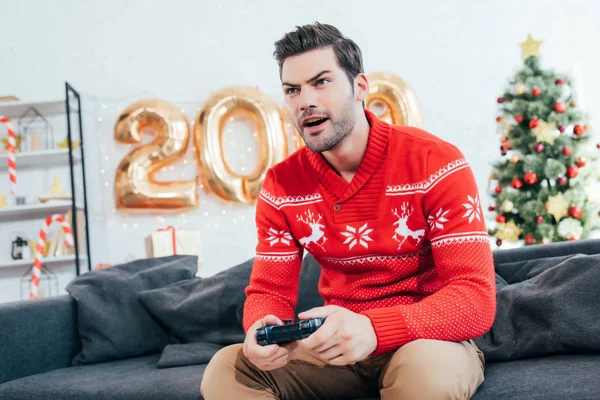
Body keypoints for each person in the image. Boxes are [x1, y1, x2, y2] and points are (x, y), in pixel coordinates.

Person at [201, 22, 496, 400]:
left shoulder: (435, 162)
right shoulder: (281, 185)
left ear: (359, 87)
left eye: (321, 82)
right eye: (293, 89)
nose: (304, 100)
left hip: (427, 339)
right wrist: (262, 329)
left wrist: (373, 329)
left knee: (425, 375)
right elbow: (269, 291)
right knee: (228, 368)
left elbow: (474, 299)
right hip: (335, 346)